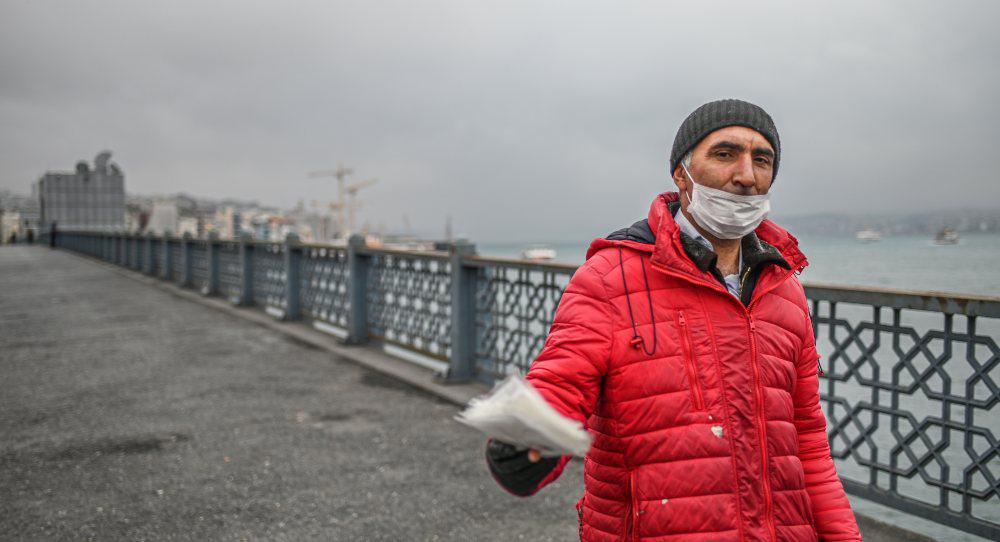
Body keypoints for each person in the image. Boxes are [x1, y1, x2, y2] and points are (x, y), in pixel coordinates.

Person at [485, 99, 861, 541]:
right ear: (681, 173)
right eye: (725, 154)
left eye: (762, 160)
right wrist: (523, 443)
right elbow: (559, 387)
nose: (746, 175)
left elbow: (808, 445)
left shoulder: (785, 290)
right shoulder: (609, 279)